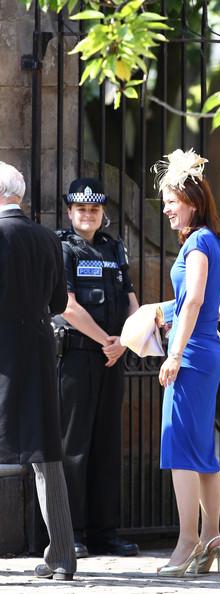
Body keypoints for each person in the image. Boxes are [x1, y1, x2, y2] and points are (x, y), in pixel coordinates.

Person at [152, 148, 220, 577]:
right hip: (207, 351)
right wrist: (192, 321)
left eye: (170, 201)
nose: (167, 208)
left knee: (180, 448)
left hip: (191, 356)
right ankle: (210, 537)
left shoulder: (198, 242)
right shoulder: (218, 242)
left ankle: (188, 542)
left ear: (191, 200)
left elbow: (199, 300)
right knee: (201, 448)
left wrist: (173, 350)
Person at [52, 178, 139, 558]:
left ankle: (106, 531)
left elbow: (133, 302)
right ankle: (69, 533)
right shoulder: (62, 247)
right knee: (73, 447)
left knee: (107, 445)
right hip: (76, 356)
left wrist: (126, 341)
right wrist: (107, 339)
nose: (88, 215)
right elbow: (66, 306)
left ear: (103, 213)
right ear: (70, 211)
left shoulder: (114, 247)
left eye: (95, 209)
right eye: (81, 209)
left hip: (112, 356)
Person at [0, 162, 76, 581]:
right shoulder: (48, 238)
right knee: (46, 455)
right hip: (39, 350)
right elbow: (59, 304)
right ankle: (62, 557)